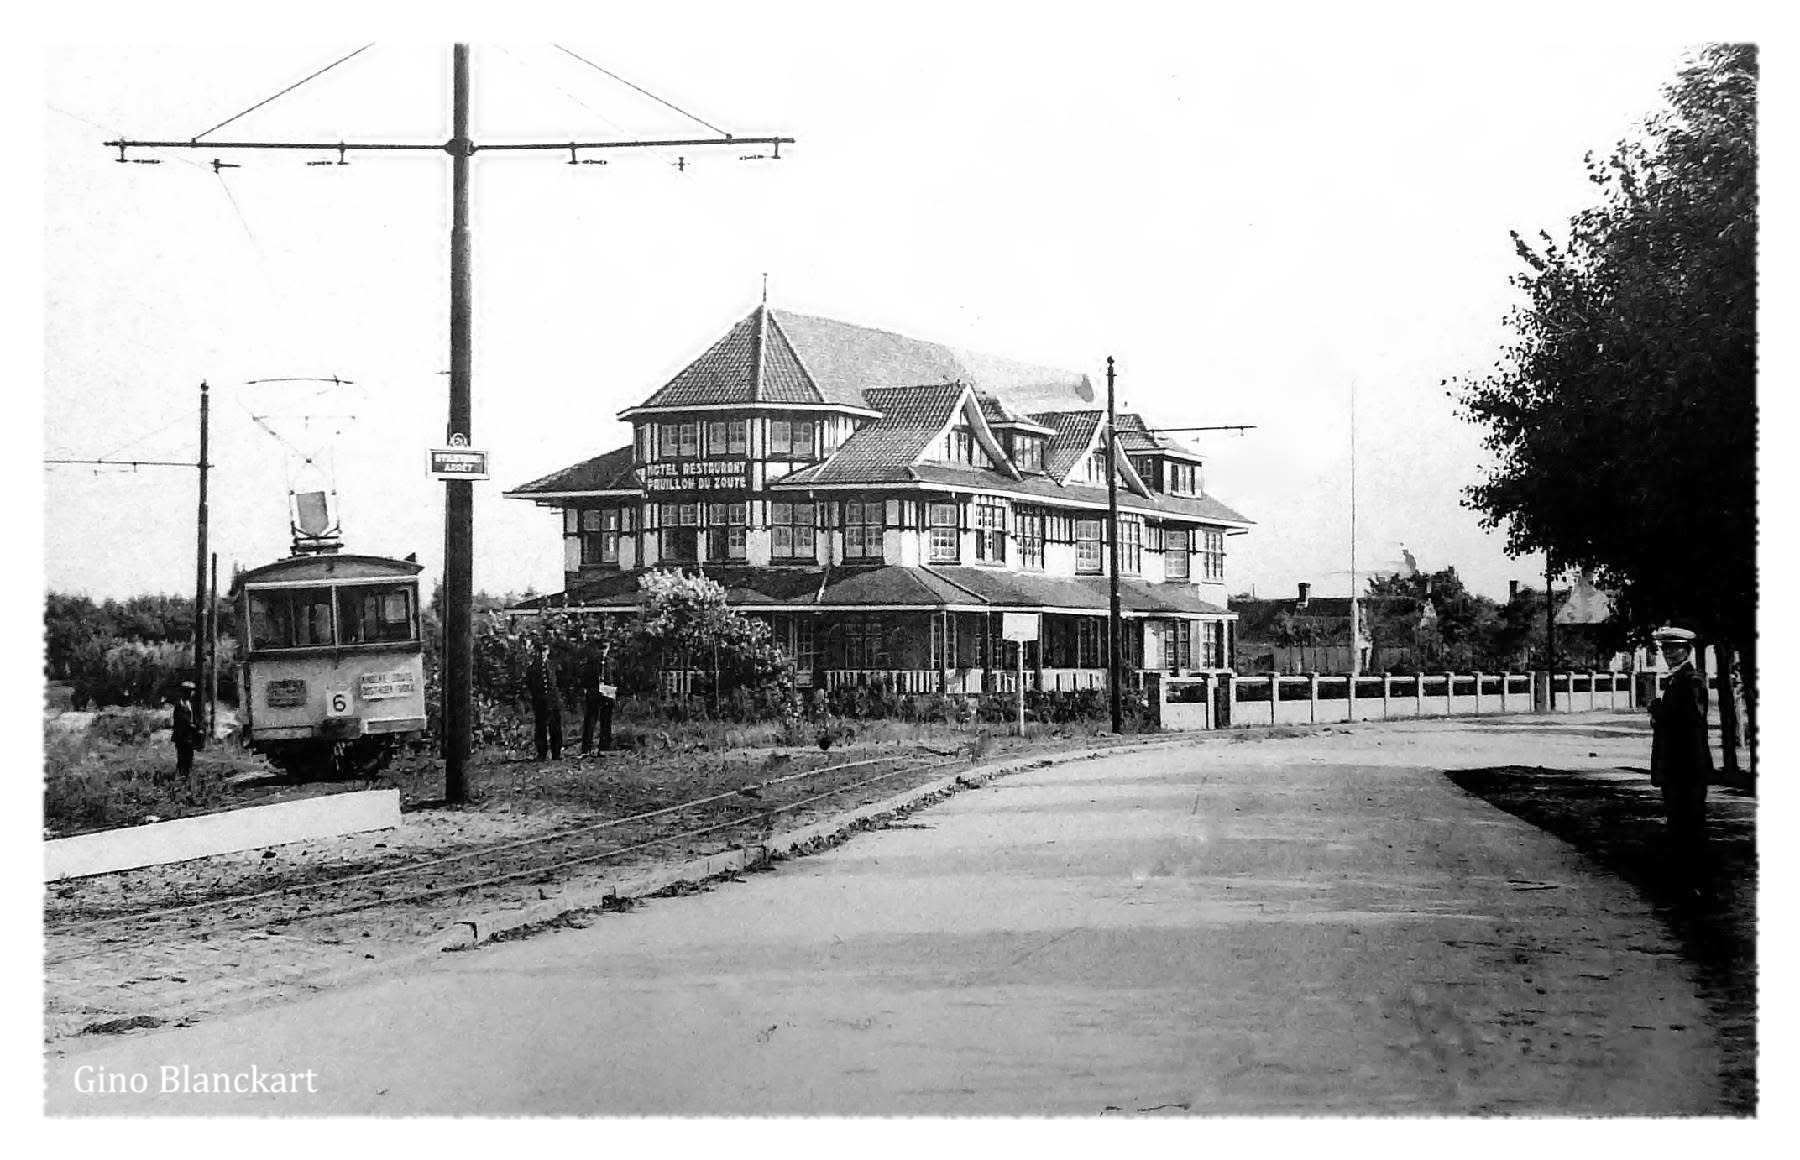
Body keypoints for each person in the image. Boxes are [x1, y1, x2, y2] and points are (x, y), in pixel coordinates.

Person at [1648, 625, 1712, 887]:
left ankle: (1695, 885)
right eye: (1665, 649)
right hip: (1677, 767)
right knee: (1679, 824)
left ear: (1686, 650)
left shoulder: (1691, 680)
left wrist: (1659, 713)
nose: (1669, 654)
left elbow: (1692, 723)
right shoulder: (1677, 680)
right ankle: (1686, 884)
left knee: (1689, 826)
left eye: (1674, 648)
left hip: (1686, 767)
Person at [525, 642, 564, 761]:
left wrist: (558, 697)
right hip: (540, 702)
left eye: (545, 651)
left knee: (555, 728)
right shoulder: (532, 668)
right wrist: (536, 697)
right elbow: (529, 685)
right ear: (537, 652)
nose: (542, 654)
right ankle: (542, 754)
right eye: (540, 651)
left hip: (553, 702)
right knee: (541, 728)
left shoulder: (554, 666)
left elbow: (561, 682)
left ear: (548, 652)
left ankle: (556, 753)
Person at [577, 640, 615, 756]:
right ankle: (586, 748)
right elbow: (584, 679)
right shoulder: (591, 663)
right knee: (590, 721)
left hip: (606, 694)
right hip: (594, 694)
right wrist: (590, 689)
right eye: (602, 649)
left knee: (606, 721)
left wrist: (611, 691)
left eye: (606, 648)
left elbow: (611, 679)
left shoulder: (609, 662)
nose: (603, 651)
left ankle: (604, 747)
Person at [171, 680, 200, 780]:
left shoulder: (189, 704)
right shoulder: (180, 705)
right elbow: (181, 720)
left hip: (189, 736)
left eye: (191, 691)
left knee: (189, 757)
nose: (191, 693)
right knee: (182, 757)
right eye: (188, 691)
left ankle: (186, 776)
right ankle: (181, 776)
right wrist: (191, 726)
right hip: (181, 736)